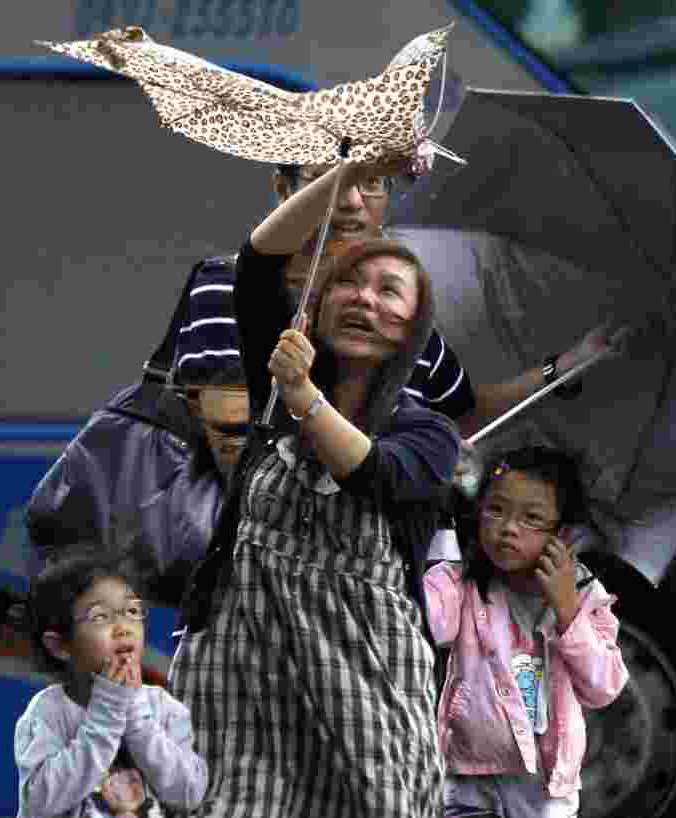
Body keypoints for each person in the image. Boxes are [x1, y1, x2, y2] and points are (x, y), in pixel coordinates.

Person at [170, 160, 460, 817]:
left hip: (366, 682)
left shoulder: (428, 434)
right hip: (239, 664)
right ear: (320, 302)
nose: (366, 298)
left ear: (411, 327)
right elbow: (258, 259)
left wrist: (304, 399)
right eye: (351, 284)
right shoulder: (276, 382)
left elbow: (370, 472)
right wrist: (350, 173)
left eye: (390, 291)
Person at [176, 161, 611, 438]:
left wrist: (559, 370)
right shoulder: (224, 288)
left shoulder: (401, 322)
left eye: (373, 184)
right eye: (325, 180)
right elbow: (212, 429)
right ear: (283, 190)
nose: (350, 202)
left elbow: (459, 415)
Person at [424, 446, 629, 818]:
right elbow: (427, 623)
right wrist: (440, 527)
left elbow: (603, 688)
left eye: (532, 518)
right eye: (496, 510)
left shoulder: (583, 594)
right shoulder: (460, 581)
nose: (508, 529)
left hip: (544, 793)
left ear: (562, 533)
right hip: (468, 779)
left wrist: (567, 610)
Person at [15, 549, 209, 818]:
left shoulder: (163, 708)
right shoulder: (48, 713)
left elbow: (189, 794)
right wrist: (106, 711)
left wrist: (136, 716)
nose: (124, 627)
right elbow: (38, 804)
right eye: (100, 617)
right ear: (60, 646)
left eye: (132, 611)